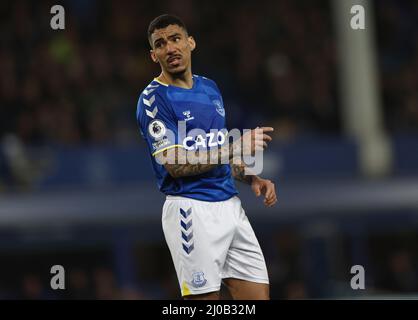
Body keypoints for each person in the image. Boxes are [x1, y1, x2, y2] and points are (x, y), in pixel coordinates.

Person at [136, 14, 277, 300]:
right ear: (154, 55)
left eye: (175, 39)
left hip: (230, 206)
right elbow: (175, 164)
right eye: (161, 44)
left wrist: (249, 176)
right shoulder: (153, 99)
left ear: (190, 42)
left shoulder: (210, 88)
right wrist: (236, 147)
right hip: (191, 211)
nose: (170, 48)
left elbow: (216, 149)